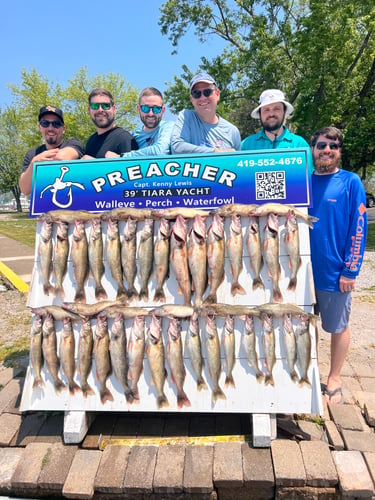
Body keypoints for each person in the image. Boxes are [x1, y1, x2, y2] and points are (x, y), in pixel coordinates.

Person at [309, 126, 367, 405]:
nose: (327, 150)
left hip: (335, 273)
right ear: (313, 149)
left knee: (337, 327)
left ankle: (334, 377)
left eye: (333, 146)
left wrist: (350, 269)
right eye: (322, 145)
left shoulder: (350, 182)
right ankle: (310, 373)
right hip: (302, 274)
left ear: (340, 152)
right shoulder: (303, 181)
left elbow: (359, 226)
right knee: (304, 328)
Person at [19, 106, 84, 195]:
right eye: (45, 123)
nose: (50, 128)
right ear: (40, 127)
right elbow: (25, 189)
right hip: (44, 207)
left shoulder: (74, 143)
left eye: (56, 124)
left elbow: (62, 158)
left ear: (63, 129)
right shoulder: (32, 154)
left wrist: (40, 162)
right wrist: (34, 162)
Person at [171, 72, 241, 154]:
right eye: (196, 93)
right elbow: (177, 148)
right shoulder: (186, 117)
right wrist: (215, 152)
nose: (203, 97)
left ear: (217, 94)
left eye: (207, 92)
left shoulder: (232, 131)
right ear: (191, 99)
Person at [105, 87, 174, 158]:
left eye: (156, 109)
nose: (150, 114)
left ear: (163, 110)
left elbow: (160, 152)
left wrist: (122, 156)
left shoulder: (169, 127)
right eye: (145, 108)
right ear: (139, 109)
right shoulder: (134, 135)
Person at [241, 89, 311, 151]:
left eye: (276, 109)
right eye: (266, 110)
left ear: (284, 110)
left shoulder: (299, 145)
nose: (271, 114)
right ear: (259, 113)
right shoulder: (246, 146)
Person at [82, 88, 138, 159]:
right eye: (95, 106)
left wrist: (95, 165)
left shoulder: (124, 139)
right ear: (89, 110)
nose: (100, 110)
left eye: (105, 106)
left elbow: (132, 169)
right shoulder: (90, 141)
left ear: (114, 109)